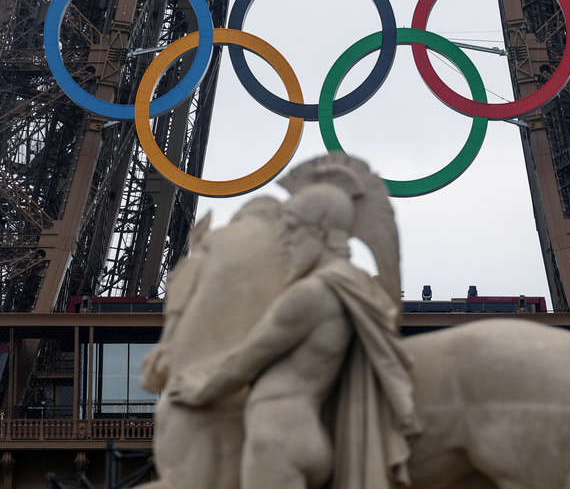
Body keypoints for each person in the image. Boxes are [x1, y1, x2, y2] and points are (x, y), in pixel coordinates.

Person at [169, 156, 419, 489]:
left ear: (321, 231)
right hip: (309, 433)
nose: (285, 239)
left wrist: (200, 391)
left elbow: (245, 361)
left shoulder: (310, 294)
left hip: (276, 437)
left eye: (292, 227)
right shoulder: (356, 284)